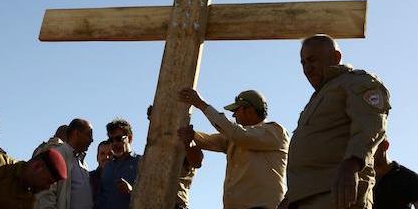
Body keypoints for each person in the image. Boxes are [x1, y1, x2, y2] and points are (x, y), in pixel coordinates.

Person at [279, 34, 390, 209]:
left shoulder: (355, 82)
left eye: (313, 60)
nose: (307, 68)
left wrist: (351, 164)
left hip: (339, 194)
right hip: (307, 198)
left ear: (336, 57)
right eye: (303, 63)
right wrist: (291, 197)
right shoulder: (318, 98)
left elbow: (371, 123)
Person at [179, 88, 288, 209]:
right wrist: (168, 125)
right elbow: (205, 139)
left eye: (236, 110)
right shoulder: (235, 137)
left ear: (250, 110)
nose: (233, 114)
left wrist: (201, 104)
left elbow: (238, 134)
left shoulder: (275, 132)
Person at [148, 105, 203, 209]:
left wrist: (188, 143)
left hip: (176, 205)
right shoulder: (153, 146)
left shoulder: (183, 142)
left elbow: (197, 162)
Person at [35, 118, 94, 209]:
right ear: (76, 133)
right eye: (88, 135)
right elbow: (46, 194)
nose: (91, 140)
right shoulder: (57, 156)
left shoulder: (83, 163)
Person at [94, 119, 142, 209]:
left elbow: (152, 194)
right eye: (111, 140)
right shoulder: (107, 167)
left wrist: (131, 191)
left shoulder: (141, 163)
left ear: (130, 138)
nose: (115, 143)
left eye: (119, 139)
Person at [372, 138, 418, 209]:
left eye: (371, 147)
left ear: (385, 145)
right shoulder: (358, 178)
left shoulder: (410, 178)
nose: (366, 153)